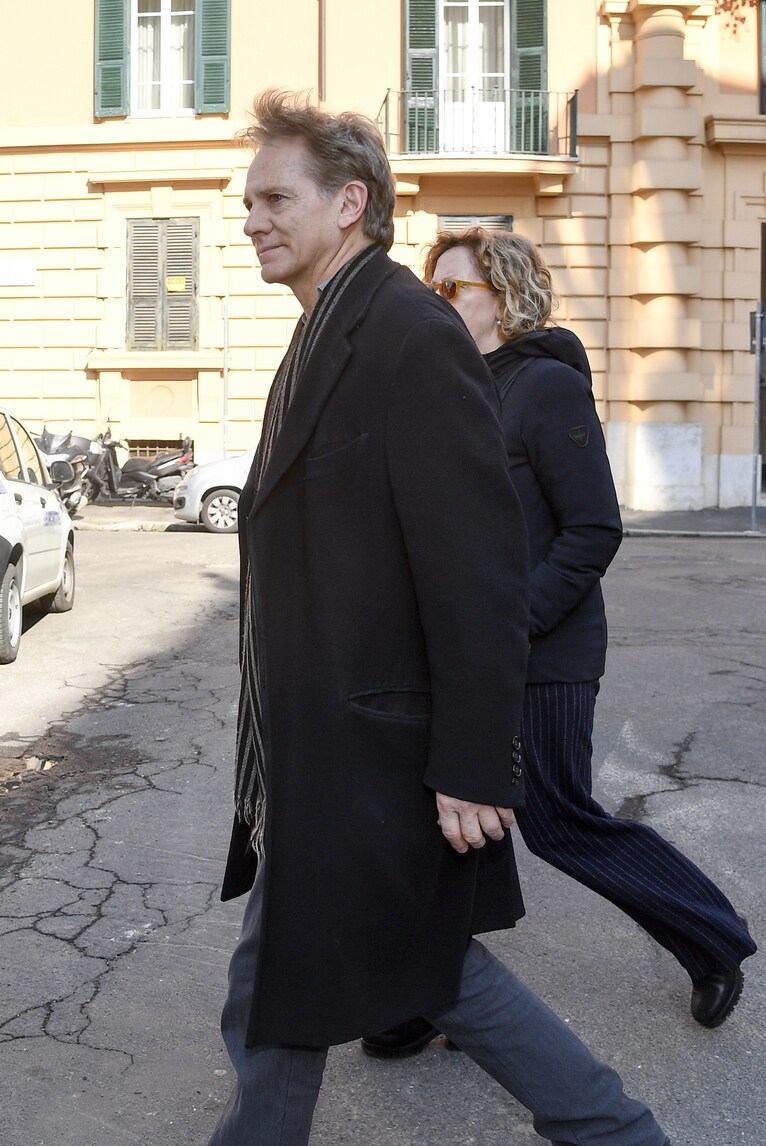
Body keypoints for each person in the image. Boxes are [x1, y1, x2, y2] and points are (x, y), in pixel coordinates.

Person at [207, 90, 670, 1146]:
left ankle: (617, 1132)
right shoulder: (327, 328)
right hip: (316, 751)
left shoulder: (409, 334)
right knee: (289, 979)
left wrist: (473, 762)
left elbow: (478, 574)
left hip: (378, 755)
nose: (253, 219)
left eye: (276, 198)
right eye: (249, 203)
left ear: (349, 203)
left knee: (422, 973)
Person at [361, 228, 756, 1061]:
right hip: (460, 655)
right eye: (432, 288)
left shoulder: (545, 387)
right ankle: (437, 994)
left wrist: (510, 624)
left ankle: (712, 937)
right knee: (447, 818)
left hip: (542, 655)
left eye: (453, 289)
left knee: (558, 820)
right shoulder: (452, 388)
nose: (437, 301)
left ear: (504, 299)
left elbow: (592, 528)